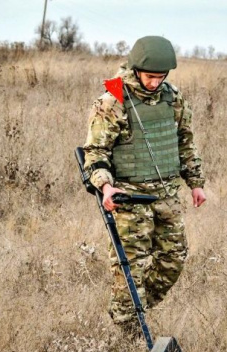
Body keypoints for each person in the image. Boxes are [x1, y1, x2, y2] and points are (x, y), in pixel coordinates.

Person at [83, 36, 206, 335]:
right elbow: (96, 153)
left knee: (173, 260)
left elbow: (184, 142)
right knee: (130, 268)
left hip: (166, 195)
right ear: (137, 69)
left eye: (160, 77)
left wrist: (195, 183)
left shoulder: (172, 97)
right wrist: (105, 187)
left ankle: (129, 311)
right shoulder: (112, 100)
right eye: (150, 76)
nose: (155, 82)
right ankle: (129, 333)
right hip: (128, 196)